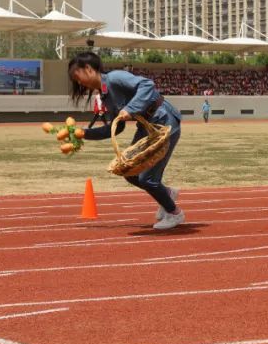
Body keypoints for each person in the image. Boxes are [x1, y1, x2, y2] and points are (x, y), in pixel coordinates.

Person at [68, 51, 184, 230]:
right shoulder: (105, 95)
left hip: (163, 121)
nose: (78, 82)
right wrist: (84, 134)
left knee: (147, 179)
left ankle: (174, 213)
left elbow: (147, 85)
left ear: (88, 69)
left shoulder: (115, 78)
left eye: (77, 76)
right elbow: (115, 128)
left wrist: (130, 108)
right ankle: (166, 193)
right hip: (146, 127)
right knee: (129, 171)